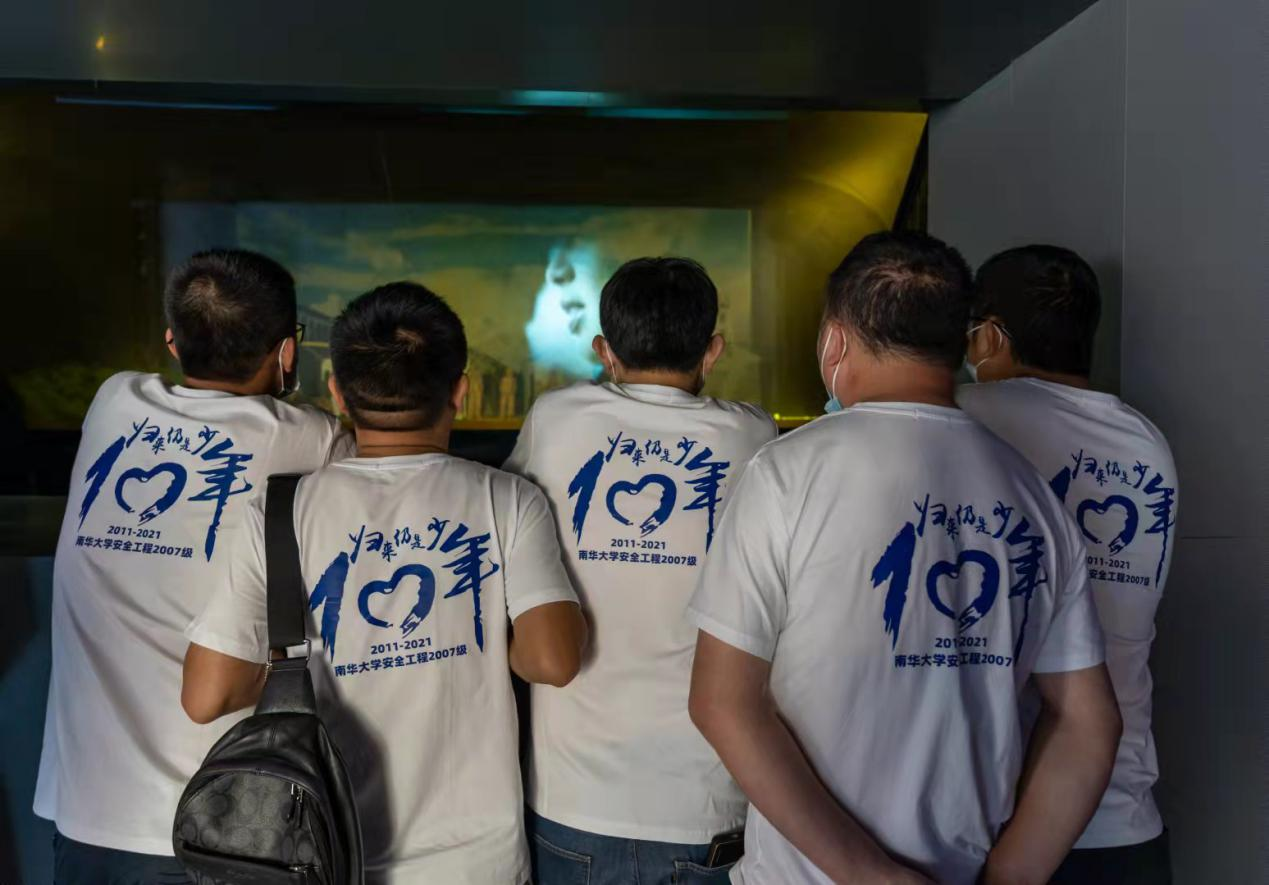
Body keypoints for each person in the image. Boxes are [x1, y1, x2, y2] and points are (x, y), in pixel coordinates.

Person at [686, 231, 1124, 885]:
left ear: (834, 340)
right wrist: (1008, 876)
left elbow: (721, 702)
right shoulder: (1032, 492)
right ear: (961, 341)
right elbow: (1090, 723)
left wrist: (870, 874)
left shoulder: (787, 473)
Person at [181, 281, 588, 884]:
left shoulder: (280, 510)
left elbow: (206, 697)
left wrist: (312, 663)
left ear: (337, 393)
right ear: (461, 390)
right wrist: (469, 638)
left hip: (321, 856)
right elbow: (552, 661)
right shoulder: (507, 499)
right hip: (476, 863)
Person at [34, 249, 350, 883]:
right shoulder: (313, 440)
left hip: (87, 813)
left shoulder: (113, 402)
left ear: (173, 343)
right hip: (227, 821)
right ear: (288, 352)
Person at [504, 257, 777, 884]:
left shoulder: (556, 419)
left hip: (571, 800)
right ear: (712, 351)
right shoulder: (754, 435)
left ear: (604, 350)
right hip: (706, 806)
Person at [959, 245, 1178, 884]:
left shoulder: (967, 417)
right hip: (1126, 821)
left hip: (1011, 829)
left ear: (990, 336)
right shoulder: (1144, 442)